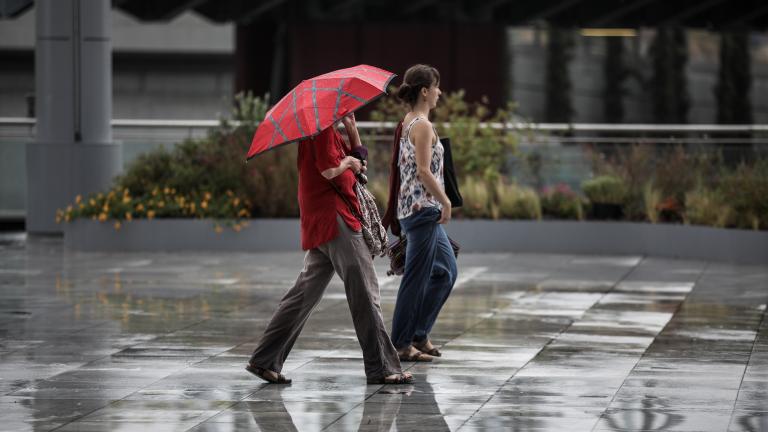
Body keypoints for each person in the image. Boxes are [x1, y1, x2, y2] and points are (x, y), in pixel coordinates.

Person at [246, 113, 412, 385]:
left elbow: (361, 162)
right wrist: (347, 162)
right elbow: (329, 170)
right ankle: (382, 367)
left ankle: (265, 360)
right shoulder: (320, 131)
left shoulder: (330, 131)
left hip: (324, 221)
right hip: (335, 219)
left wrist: (352, 129)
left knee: (304, 293)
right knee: (365, 291)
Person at [388, 64, 458, 362]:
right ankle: (401, 344)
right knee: (415, 279)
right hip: (422, 212)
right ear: (425, 91)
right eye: (437, 87)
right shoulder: (422, 126)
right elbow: (423, 171)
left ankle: (418, 334)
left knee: (446, 272)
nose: (440, 92)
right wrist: (446, 202)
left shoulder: (409, 121)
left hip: (418, 211)